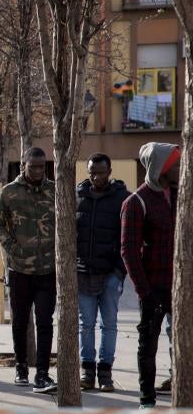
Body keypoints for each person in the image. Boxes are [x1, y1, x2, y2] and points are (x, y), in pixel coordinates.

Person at [0, 147, 57, 393]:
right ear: (24, 166)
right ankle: (21, 367)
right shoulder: (9, 192)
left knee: (45, 322)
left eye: (42, 167)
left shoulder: (54, 190)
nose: (39, 171)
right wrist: (11, 246)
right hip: (19, 270)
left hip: (47, 270)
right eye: (34, 167)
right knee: (19, 322)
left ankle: (42, 373)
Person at [121, 142, 180, 409]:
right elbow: (128, 251)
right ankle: (147, 400)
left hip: (182, 287)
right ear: (161, 168)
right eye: (175, 164)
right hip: (153, 287)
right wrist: (144, 292)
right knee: (149, 344)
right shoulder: (136, 202)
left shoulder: (182, 195)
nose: (180, 168)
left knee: (182, 343)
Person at [75, 153, 130, 392]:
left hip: (110, 274)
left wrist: (119, 271)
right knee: (85, 324)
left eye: (100, 172)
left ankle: (105, 372)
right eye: (91, 172)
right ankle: (87, 371)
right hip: (83, 272)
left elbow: (129, 237)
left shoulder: (122, 199)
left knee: (109, 324)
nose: (95, 176)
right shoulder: (78, 197)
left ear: (109, 171)